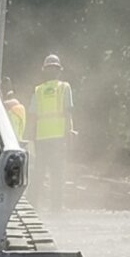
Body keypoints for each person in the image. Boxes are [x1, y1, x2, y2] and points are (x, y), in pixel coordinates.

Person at [30, 54, 74, 207]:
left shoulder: (38, 90)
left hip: (41, 138)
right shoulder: (64, 88)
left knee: (39, 173)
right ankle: (56, 206)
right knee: (57, 174)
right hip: (58, 138)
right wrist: (69, 134)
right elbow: (68, 113)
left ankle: (33, 204)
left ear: (45, 70)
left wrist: (31, 138)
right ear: (58, 70)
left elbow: (33, 117)